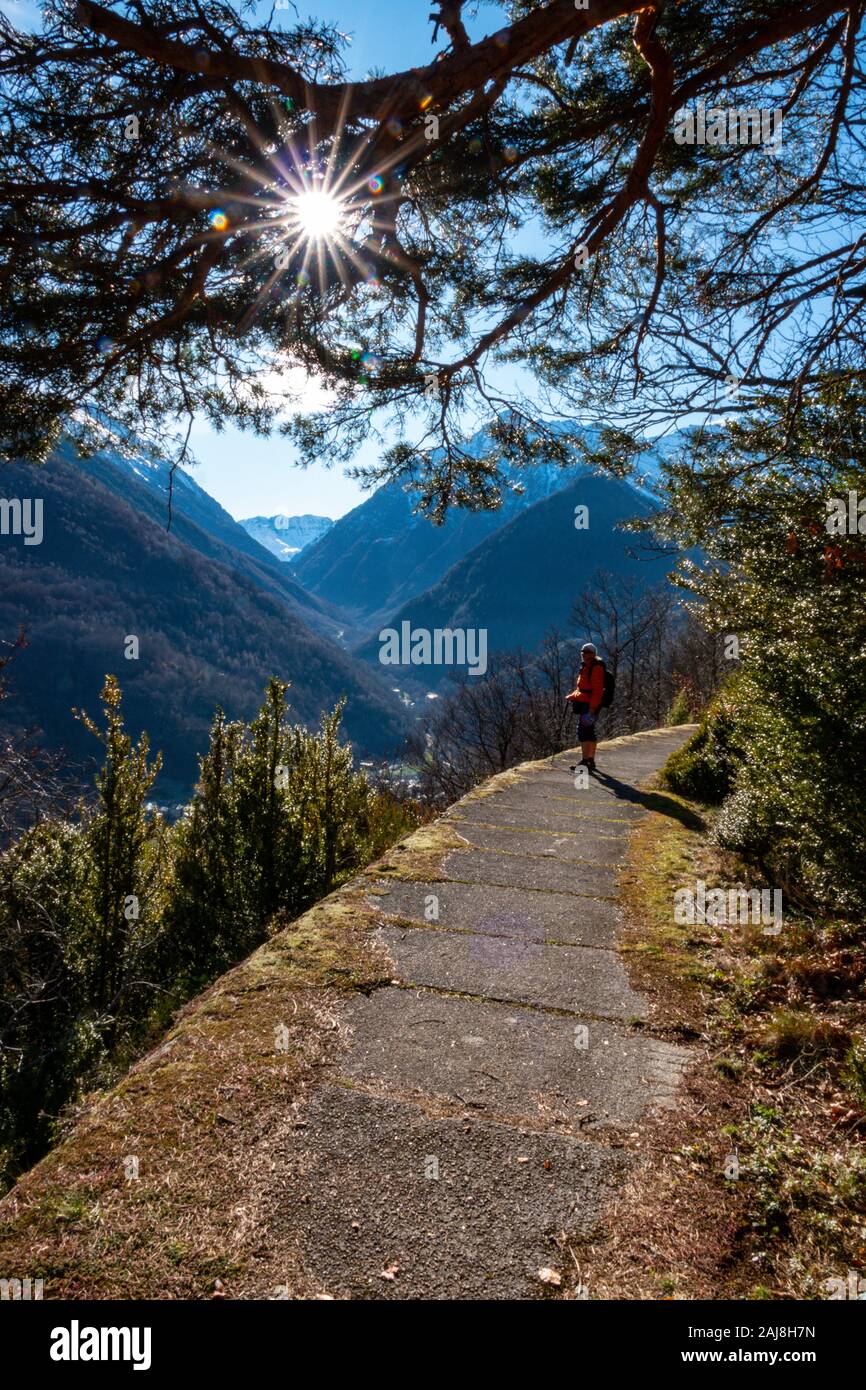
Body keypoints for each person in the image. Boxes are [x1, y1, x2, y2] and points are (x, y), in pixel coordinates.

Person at [565, 642, 604, 772]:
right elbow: (581, 688)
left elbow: (597, 690)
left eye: (586, 652)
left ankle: (585, 761)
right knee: (589, 731)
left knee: (583, 731)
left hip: (590, 705)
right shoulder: (586, 666)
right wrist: (572, 696)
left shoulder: (595, 668)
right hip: (587, 704)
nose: (583, 654)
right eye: (582, 652)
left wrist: (592, 708)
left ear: (593, 654)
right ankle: (590, 760)